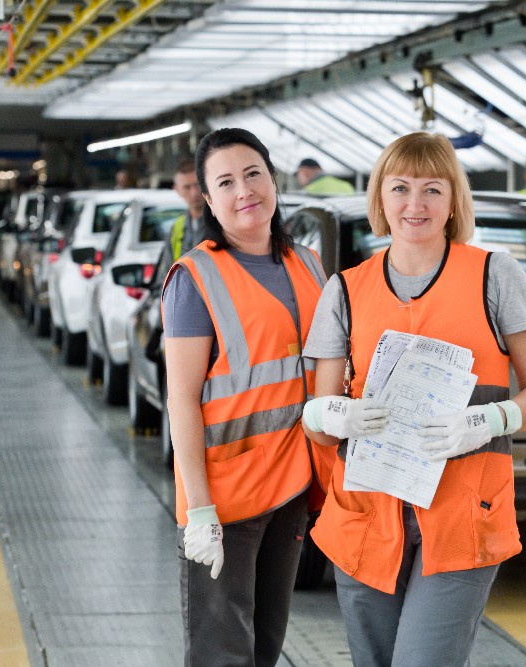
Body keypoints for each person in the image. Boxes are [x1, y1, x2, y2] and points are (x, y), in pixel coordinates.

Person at [300, 131, 526, 667]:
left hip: (463, 512)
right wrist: (336, 414)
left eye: (431, 189)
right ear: (380, 199)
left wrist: (490, 419)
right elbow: (318, 423)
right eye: (400, 188)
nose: (414, 204)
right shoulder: (345, 290)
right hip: (366, 515)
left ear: (453, 200)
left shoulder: (496, 276)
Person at [161, 127, 328, 666]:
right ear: (208, 200)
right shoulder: (196, 277)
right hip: (226, 494)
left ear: (273, 180)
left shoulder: (307, 265)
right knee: (222, 650)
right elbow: (182, 400)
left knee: (266, 641)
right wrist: (199, 507)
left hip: (291, 485)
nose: (244, 191)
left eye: (253, 174)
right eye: (226, 182)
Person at [168, 157, 206, 261]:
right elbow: (167, 272)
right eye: (187, 187)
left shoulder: (222, 221)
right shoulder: (177, 227)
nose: (194, 193)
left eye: (197, 185)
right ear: (177, 190)